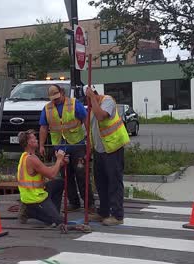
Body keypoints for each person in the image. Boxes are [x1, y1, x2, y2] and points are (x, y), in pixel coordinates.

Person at [39, 84, 95, 212]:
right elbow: (43, 127)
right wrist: (42, 145)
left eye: (57, 97)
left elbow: (85, 120)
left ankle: (89, 204)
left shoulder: (74, 104)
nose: (56, 100)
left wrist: (89, 141)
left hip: (77, 144)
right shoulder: (47, 109)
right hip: (60, 147)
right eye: (53, 98)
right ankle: (74, 202)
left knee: (81, 174)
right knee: (66, 176)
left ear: (62, 93)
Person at [85, 85, 130, 226]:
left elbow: (101, 116)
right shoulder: (91, 108)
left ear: (94, 94)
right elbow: (90, 130)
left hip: (113, 148)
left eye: (89, 98)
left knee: (114, 182)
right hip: (99, 150)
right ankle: (103, 212)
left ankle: (117, 215)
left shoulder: (108, 101)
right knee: (101, 183)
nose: (88, 102)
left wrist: (92, 98)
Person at [17, 129, 67, 226]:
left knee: (59, 183)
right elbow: (51, 175)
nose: (36, 139)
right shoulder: (31, 159)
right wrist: (59, 159)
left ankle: (53, 212)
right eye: (33, 138)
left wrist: (59, 163)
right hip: (34, 198)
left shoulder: (27, 156)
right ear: (28, 143)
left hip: (38, 192)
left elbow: (46, 170)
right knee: (59, 221)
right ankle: (28, 211)